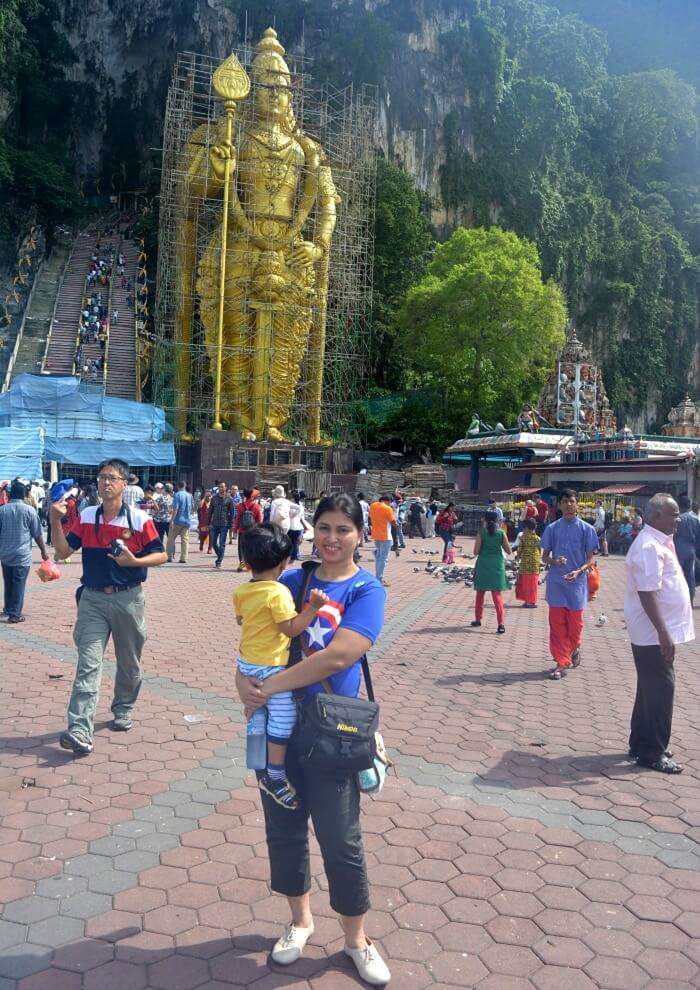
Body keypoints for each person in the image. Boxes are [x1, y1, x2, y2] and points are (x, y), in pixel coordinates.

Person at [235, 493, 391, 986]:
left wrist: (269, 686)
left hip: (332, 732)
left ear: (360, 536)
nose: (331, 538)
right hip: (280, 724)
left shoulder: (367, 590)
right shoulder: (291, 579)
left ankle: (356, 940)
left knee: (340, 838)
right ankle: (300, 921)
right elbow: (257, 635)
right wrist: (242, 681)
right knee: (283, 829)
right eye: (324, 527)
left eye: (344, 529)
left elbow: (338, 657)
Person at [50, 458, 166, 755]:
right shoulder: (88, 515)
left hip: (128, 599)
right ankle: (79, 729)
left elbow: (161, 555)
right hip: (92, 600)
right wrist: (55, 520)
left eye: (112, 478)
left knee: (129, 662)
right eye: (102, 477)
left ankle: (123, 707)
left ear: (124, 483)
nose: (105, 482)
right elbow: (63, 552)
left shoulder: (139, 519)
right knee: (88, 663)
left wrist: (135, 561)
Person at [234, 525, 329, 808]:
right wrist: (311, 609)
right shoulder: (278, 592)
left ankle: (255, 760)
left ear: (247, 562)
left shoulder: (241, 591)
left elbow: (242, 620)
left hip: (247, 663)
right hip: (271, 667)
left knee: (256, 711)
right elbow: (290, 629)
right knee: (283, 717)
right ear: (283, 562)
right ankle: (274, 774)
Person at [624, 494, 692, 774]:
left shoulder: (659, 541)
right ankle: (653, 751)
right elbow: (647, 593)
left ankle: (641, 742)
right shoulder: (650, 546)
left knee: (649, 689)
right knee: (662, 690)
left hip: (654, 632)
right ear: (655, 517)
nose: (678, 519)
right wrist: (663, 633)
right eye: (673, 514)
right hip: (653, 633)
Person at [541, 489, 599, 680]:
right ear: (559, 505)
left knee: (575, 626)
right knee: (557, 625)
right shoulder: (552, 528)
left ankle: (574, 648)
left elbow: (591, 560)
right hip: (557, 583)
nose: (568, 505)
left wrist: (579, 571)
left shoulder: (587, 529)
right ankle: (561, 662)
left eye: (571, 501)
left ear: (577, 504)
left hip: (577, 584)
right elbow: (544, 557)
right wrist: (554, 562)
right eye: (564, 501)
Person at [0, 479, 49, 623]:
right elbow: (37, 533)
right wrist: (43, 551)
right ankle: (15, 614)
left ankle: (9, 609)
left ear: (10, 495)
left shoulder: (2, 510)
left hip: (5, 554)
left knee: (8, 582)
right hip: (22, 555)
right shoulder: (30, 511)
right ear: (24, 495)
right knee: (19, 584)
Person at [472, 509, 511, 633]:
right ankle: (501, 624)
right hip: (497, 565)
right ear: (497, 520)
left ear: (485, 519)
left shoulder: (481, 532)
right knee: (497, 596)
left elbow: (475, 552)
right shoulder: (501, 533)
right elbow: (508, 550)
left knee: (480, 594)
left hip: (483, 564)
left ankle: (478, 619)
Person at [673, 494, 700, 604]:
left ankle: (678, 600)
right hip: (691, 551)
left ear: (678, 505)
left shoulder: (677, 519)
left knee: (676, 576)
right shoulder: (695, 520)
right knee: (690, 577)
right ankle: (690, 600)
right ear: (689, 506)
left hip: (678, 551)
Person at [234, 488, 263, 571]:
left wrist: (235, 530)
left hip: (242, 531)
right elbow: (259, 520)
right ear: (252, 496)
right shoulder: (257, 506)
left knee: (241, 548)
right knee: (251, 547)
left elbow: (237, 519)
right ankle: (250, 564)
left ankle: (242, 562)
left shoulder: (240, 506)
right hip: (252, 530)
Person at [369, 494, 394, 587]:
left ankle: (378, 577)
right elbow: (392, 521)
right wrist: (397, 525)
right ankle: (379, 578)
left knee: (379, 557)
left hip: (376, 534)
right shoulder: (388, 509)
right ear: (387, 501)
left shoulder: (373, 506)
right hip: (386, 535)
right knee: (383, 559)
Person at [515, 517, 541, 608]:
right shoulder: (537, 538)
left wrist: (517, 558)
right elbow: (539, 550)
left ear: (526, 528)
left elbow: (519, 550)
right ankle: (532, 601)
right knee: (533, 583)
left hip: (525, 563)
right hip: (535, 562)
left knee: (526, 582)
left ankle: (527, 601)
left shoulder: (523, 537)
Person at [208, 481, 233, 568]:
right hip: (214, 524)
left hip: (224, 524)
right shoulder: (214, 498)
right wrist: (208, 523)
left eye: (223, 487)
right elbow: (210, 511)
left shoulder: (229, 499)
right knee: (214, 543)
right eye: (220, 487)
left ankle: (219, 561)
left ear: (225, 488)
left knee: (222, 543)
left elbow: (232, 513)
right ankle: (220, 556)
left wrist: (230, 525)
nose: (221, 488)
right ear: (218, 488)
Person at [166, 481, 193, 564]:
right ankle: (183, 558)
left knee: (171, 539)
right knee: (185, 540)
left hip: (177, 520)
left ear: (178, 486)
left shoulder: (177, 495)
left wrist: (171, 520)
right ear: (185, 486)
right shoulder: (190, 495)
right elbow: (192, 508)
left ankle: (169, 557)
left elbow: (176, 509)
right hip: (187, 520)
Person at [288, 491, 309, 562]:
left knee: (292, 542)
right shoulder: (300, 506)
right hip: (298, 526)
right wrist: (305, 526)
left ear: (293, 498)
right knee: (296, 542)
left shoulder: (290, 506)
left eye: (291, 497)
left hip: (291, 526)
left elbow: (291, 516)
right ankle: (295, 555)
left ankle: (293, 556)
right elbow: (302, 518)